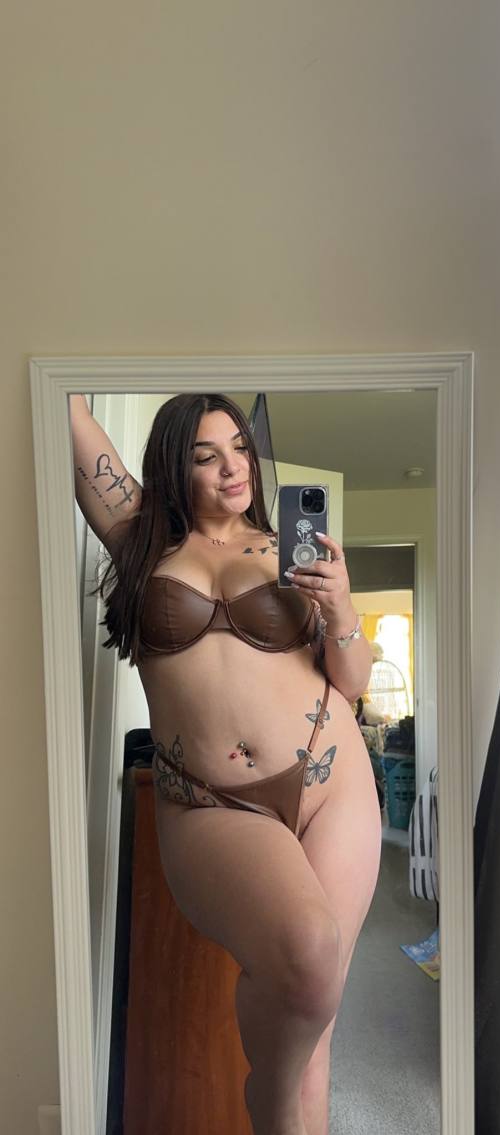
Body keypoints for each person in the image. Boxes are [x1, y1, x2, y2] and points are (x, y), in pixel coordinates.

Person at [70, 392, 382, 1135]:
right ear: (173, 469)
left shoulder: (286, 548)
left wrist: (341, 609)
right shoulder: (141, 538)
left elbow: (351, 681)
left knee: (317, 1017)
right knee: (307, 959)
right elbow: (69, 416)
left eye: (239, 448)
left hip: (334, 783)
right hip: (211, 801)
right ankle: (265, 1104)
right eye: (205, 456)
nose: (232, 467)